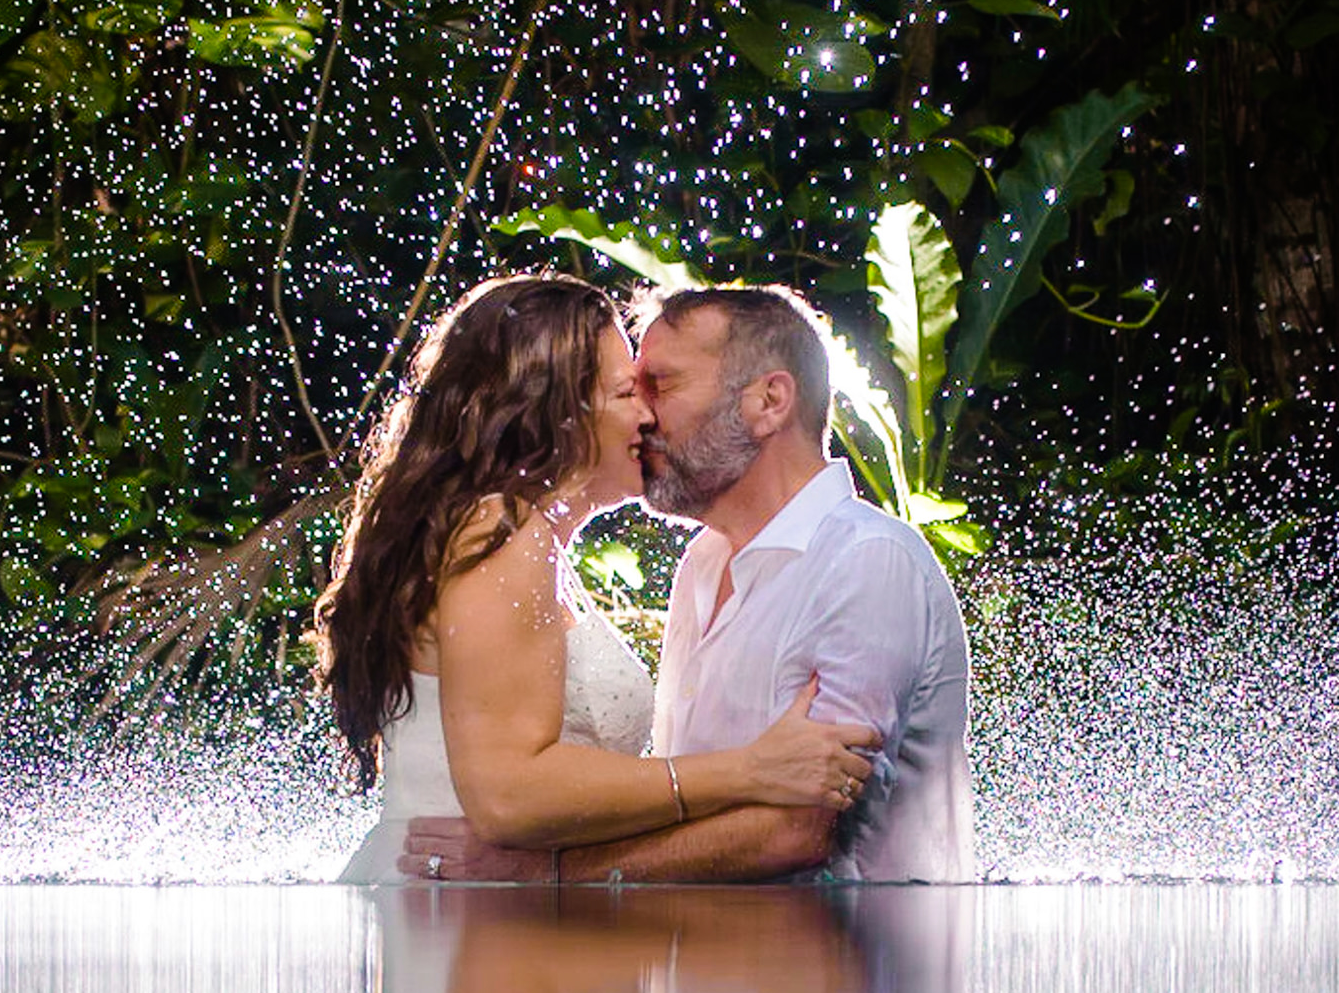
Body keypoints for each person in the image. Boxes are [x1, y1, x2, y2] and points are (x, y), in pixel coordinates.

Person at [397, 282, 977, 888]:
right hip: (673, 959)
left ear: (769, 401)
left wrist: (548, 873)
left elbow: (797, 831)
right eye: (629, 390)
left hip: (851, 965)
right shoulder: (700, 564)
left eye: (661, 386)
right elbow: (683, 800)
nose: (645, 416)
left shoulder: (867, 562)